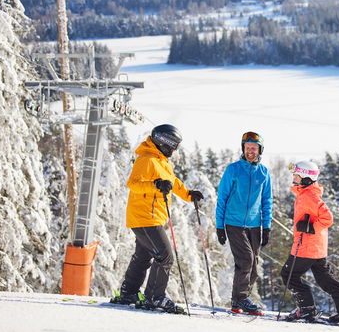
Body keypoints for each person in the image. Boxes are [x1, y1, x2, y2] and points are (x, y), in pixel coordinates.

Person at [111, 124, 204, 313]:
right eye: (173, 146)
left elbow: (172, 182)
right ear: (164, 142)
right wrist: (155, 184)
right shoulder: (146, 160)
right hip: (145, 217)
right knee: (165, 256)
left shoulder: (162, 162)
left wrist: (188, 194)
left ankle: (129, 292)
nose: (174, 150)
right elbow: (134, 184)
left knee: (144, 256)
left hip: (152, 217)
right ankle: (155, 297)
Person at [281, 160, 339, 325]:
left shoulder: (309, 196)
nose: (293, 177)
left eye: (296, 174)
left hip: (307, 246)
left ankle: (307, 310)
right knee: (325, 280)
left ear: (305, 177)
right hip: (316, 247)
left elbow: (328, 218)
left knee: (289, 275)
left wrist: (311, 227)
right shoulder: (306, 193)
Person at [215, 131, 273, 314]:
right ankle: (242, 298)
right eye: (247, 148)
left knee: (253, 266)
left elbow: (267, 201)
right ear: (243, 149)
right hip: (234, 223)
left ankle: (237, 300)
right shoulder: (233, 169)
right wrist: (219, 226)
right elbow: (222, 197)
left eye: (254, 148)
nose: (250, 151)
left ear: (259, 150)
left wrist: (267, 227)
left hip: (255, 225)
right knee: (246, 259)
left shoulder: (264, 173)